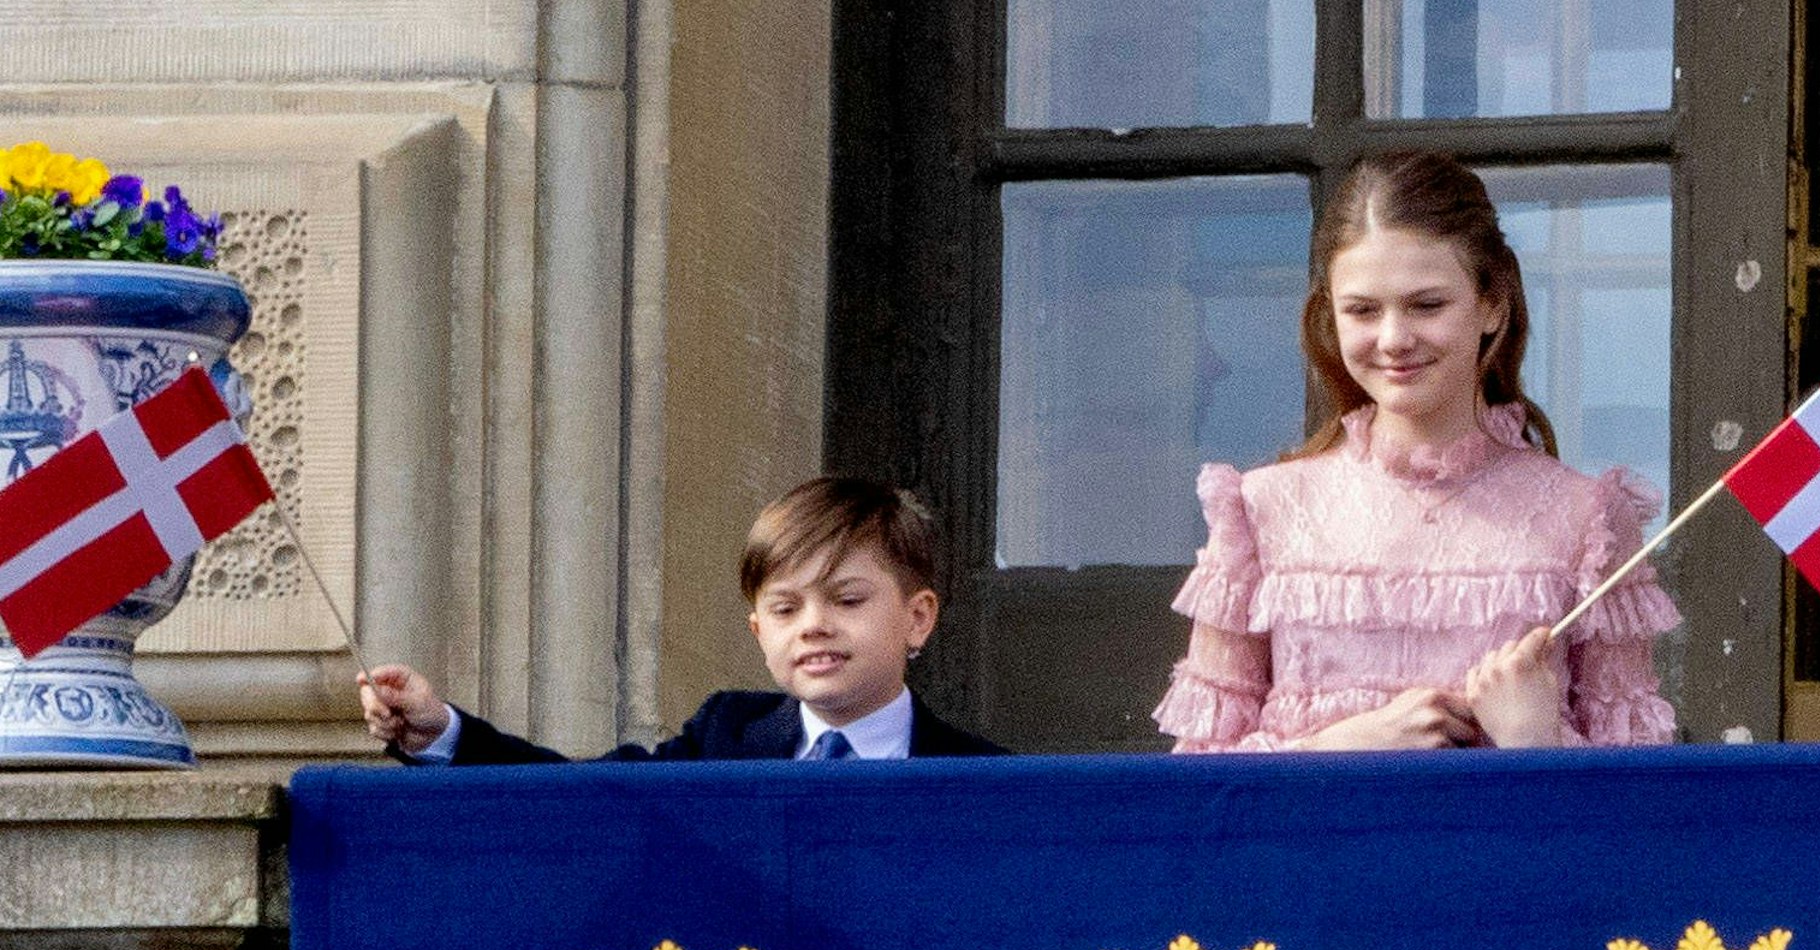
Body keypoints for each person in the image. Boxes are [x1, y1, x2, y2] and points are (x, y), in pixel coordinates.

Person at [1153, 150, 1679, 753]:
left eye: (1427, 305)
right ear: (1331, 317)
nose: (1394, 339)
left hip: (1499, 849)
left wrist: (1533, 742)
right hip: (1316, 851)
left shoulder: (1587, 520)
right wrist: (1342, 747)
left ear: (1491, 305)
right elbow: (1200, 793)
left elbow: (1631, 807)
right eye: (1362, 310)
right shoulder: (1261, 510)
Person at [360, 476, 1009, 762]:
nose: (813, 624)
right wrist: (441, 732)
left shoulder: (990, 782)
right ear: (759, 630)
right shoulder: (723, 737)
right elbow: (584, 803)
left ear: (918, 617)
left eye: (847, 599)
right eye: (786, 607)